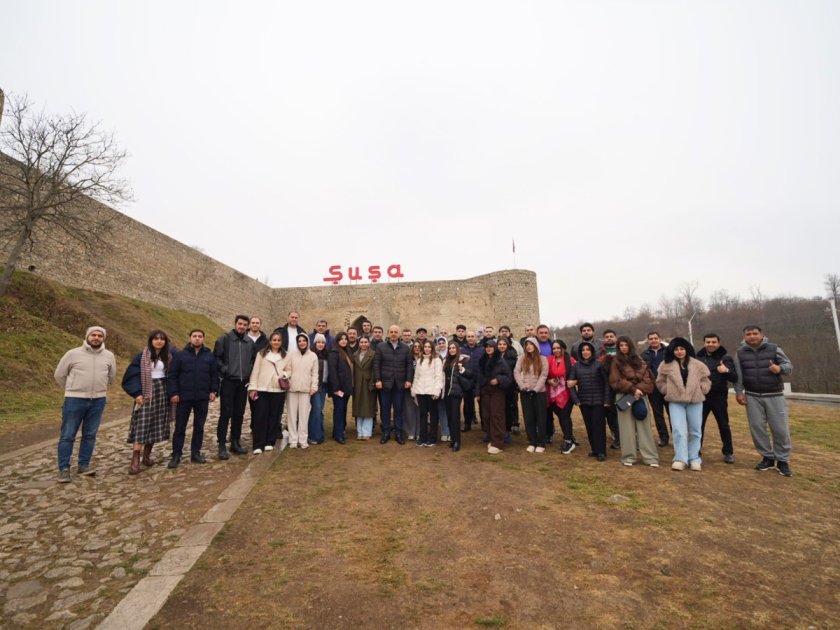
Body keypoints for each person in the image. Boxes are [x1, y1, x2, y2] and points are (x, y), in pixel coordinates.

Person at [54, 326, 117, 482]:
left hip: (98, 401)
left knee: (90, 435)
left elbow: (111, 376)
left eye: (100, 335)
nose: (96, 338)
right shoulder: (72, 354)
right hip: (74, 400)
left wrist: (99, 389)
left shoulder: (109, 356)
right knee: (68, 435)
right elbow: (59, 375)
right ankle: (64, 469)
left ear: (103, 338)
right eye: (93, 335)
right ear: (87, 336)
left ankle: (84, 465)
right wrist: (73, 389)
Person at [734, 325, 794, 477]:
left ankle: (782, 460)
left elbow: (789, 366)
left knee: (780, 429)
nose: (752, 336)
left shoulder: (774, 349)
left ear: (762, 335)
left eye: (755, 333)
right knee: (757, 429)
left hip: (774, 395)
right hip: (752, 396)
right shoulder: (740, 353)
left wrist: (779, 368)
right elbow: (739, 375)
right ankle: (767, 457)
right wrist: (739, 392)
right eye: (748, 334)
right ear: (744, 337)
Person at [121, 330, 175, 474]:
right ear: (151, 340)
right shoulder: (142, 356)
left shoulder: (168, 356)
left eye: (162, 339)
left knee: (155, 423)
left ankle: (147, 455)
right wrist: (137, 393)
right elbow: (131, 375)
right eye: (156, 338)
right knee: (142, 424)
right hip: (146, 392)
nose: (159, 341)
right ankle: (135, 459)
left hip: (162, 391)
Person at [655, 337, 711, 471]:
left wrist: (702, 389)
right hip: (675, 401)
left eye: (682, 349)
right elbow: (660, 381)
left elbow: (706, 381)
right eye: (676, 349)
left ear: (687, 349)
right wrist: (668, 390)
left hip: (695, 400)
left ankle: (694, 458)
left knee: (695, 430)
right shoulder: (665, 365)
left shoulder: (698, 364)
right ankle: (680, 458)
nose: (679, 352)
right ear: (672, 351)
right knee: (679, 430)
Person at [167, 329, 219, 469]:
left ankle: (195, 453)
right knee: (180, 427)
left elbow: (214, 374)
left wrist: (213, 390)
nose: (197, 338)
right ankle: (176, 454)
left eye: (200, 336)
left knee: (199, 426)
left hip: (202, 397)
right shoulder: (180, 355)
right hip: (184, 397)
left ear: (203, 339)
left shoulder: (209, 356)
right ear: (189, 338)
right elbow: (172, 375)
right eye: (194, 336)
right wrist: (173, 393)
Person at [608, 336, 659, 468]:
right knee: (626, 428)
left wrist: (638, 390)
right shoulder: (616, 361)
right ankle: (629, 456)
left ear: (630, 346)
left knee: (644, 427)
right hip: (624, 396)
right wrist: (632, 389)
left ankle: (650, 457)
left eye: (626, 345)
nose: (624, 347)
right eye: (621, 345)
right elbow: (615, 381)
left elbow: (648, 380)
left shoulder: (639, 359)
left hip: (640, 396)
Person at [214, 315, 254, 458]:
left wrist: (249, 371)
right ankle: (221, 444)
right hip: (229, 381)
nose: (242, 327)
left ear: (247, 326)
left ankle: (235, 442)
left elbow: (252, 360)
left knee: (239, 413)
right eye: (240, 324)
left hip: (243, 383)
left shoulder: (249, 342)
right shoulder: (224, 339)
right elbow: (217, 358)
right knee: (226, 413)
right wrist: (225, 370)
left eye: (245, 325)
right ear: (235, 324)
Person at [696, 333, 738, 463]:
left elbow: (734, 377)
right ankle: (696, 450)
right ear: (704, 343)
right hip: (701, 397)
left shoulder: (725, 358)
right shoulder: (698, 358)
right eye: (708, 342)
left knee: (723, 425)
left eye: (713, 342)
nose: (711, 344)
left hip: (718, 397)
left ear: (718, 343)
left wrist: (726, 371)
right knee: (698, 426)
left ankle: (728, 452)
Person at [248, 332, 291, 454]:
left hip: (277, 389)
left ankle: (269, 442)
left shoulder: (286, 355)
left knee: (274, 416)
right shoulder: (261, 354)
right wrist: (253, 387)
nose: (276, 342)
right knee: (260, 416)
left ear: (281, 342)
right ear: (270, 341)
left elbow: (289, 370)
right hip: (262, 388)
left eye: (278, 340)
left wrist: (284, 375)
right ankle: (258, 443)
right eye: (274, 340)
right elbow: (255, 371)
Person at [569, 342, 612, 461]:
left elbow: (606, 383)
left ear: (592, 351)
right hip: (584, 401)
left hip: (599, 401)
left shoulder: (599, 364)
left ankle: (601, 451)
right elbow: (570, 383)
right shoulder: (576, 366)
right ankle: (594, 449)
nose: (585, 352)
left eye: (588, 350)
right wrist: (576, 399)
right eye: (583, 350)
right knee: (589, 426)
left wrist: (607, 399)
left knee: (599, 426)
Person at [374, 325, 415, 444]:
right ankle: (386, 432)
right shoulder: (381, 347)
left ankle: (398, 433)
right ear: (388, 333)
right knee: (385, 409)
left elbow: (409, 365)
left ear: (399, 334)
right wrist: (378, 380)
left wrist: (408, 380)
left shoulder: (405, 348)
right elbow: (376, 364)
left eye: (395, 332)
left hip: (399, 384)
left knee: (398, 409)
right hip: (385, 383)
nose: (393, 334)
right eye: (391, 332)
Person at [478, 340, 513, 455]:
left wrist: (498, 379)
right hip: (485, 391)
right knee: (486, 416)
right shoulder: (483, 360)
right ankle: (493, 439)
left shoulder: (500, 360)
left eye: (491, 346)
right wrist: (477, 392)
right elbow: (479, 377)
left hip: (497, 391)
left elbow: (509, 376)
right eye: (487, 346)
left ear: (494, 348)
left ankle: (498, 444)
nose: (488, 348)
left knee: (496, 415)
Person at [514, 337, 549, 453]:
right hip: (525, 392)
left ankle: (541, 442)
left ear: (535, 345)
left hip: (539, 392)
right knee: (529, 417)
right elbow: (516, 372)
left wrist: (536, 389)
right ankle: (532, 442)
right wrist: (522, 386)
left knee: (541, 418)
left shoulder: (543, 359)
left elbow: (544, 375)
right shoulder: (522, 358)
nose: (528, 346)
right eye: (526, 344)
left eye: (531, 344)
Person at [287, 334, 319, 448]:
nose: (302, 343)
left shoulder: (313, 356)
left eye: (304, 340)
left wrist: (313, 387)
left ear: (307, 342)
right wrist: (286, 377)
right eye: (299, 341)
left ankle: (303, 439)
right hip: (292, 389)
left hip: (305, 389)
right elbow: (288, 369)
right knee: (292, 415)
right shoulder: (291, 354)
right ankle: (293, 439)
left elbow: (315, 373)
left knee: (304, 415)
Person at [546, 339, 577, 453]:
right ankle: (569, 435)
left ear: (563, 348)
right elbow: (544, 374)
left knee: (565, 416)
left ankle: (568, 441)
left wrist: (575, 382)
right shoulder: (549, 360)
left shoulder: (570, 360)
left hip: (567, 393)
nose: (556, 350)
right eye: (554, 348)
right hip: (552, 393)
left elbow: (578, 374)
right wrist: (548, 381)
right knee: (560, 416)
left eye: (558, 348)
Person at [411, 340, 444, 447]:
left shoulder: (437, 360)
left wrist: (437, 391)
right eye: (425, 347)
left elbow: (439, 377)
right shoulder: (420, 360)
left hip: (432, 392)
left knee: (433, 415)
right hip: (420, 391)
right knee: (423, 415)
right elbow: (416, 377)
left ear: (432, 348)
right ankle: (422, 438)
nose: (427, 349)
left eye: (429, 347)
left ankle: (432, 438)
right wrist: (414, 390)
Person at [641, 332, 671, 447]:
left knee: (672, 414)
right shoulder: (644, 354)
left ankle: (677, 436)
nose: (653, 340)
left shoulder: (669, 352)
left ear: (660, 339)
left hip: (668, 387)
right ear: (648, 340)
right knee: (658, 414)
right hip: (653, 388)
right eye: (651, 339)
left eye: (655, 338)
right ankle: (663, 437)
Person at [442, 341, 472, 452]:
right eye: (450, 348)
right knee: (449, 416)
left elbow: (470, 374)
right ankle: (453, 438)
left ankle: (457, 441)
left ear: (457, 349)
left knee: (455, 416)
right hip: (446, 391)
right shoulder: (446, 360)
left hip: (456, 391)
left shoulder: (463, 360)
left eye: (453, 348)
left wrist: (462, 369)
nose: (451, 350)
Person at [328, 331, 354, 444]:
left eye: (345, 339)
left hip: (346, 387)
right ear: (337, 341)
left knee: (343, 409)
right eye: (341, 339)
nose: (344, 341)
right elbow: (332, 372)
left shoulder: (347, 352)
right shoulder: (334, 353)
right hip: (339, 388)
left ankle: (339, 431)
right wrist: (336, 388)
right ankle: (338, 434)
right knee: (339, 409)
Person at [599, 329, 621, 449]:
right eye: (606, 336)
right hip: (605, 386)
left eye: (611, 336)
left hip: (621, 386)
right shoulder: (599, 352)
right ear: (604, 339)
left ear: (615, 338)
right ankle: (617, 436)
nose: (609, 338)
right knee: (610, 413)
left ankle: (629, 436)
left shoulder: (622, 349)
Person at [307, 333, 329, 445]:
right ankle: (314, 436)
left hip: (323, 386)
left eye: (323, 342)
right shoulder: (310, 355)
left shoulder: (327, 355)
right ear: (315, 343)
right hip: (315, 386)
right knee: (316, 409)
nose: (320, 344)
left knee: (319, 410)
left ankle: (319, 434)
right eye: (318, 342)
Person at [496, 336, 518, 444]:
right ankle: (498, 431)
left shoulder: (513, 358)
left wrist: (515, 387)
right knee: (497, 411)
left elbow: (515, 373)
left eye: (504, 344)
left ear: (507, 345)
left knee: (508, 410)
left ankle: (507, 430)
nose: (502, 346)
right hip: (497, 387)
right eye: (500, 344)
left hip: (509, 387)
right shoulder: (493, 357)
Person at [353, 336, 376, 439]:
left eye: (365, 342)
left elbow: (375, 370)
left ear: (369, 343)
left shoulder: (373, 354)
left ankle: (367, 432)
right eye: (361, 342)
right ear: (359, 343)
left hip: (368, 383)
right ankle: (360, 432)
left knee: (367, 407)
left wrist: (372, 383)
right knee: (358, 407)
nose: (363, 344)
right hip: (357, 383)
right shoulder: (355, 354)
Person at [461, 331, 483, 431]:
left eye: (472, 336)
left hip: (479, 380)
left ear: (476, 338)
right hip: (467, 380)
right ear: (466, 338)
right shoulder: (462, 350)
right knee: (467, 404)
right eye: (468, 336)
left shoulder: (481, 349)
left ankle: (484, 424)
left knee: (482, 403)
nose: (470, 338)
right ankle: (467, 424)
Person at [403, 340, 423, 440]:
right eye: (415, 346)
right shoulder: (408, 358)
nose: (417, 348)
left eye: (419, 346)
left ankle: (419, 431)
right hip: (409, 386)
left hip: (421, 387)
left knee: (420, 409)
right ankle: (410, 431)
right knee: (409, 409)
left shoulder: (425, 359)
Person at [435, 336, 451, 441]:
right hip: (439, 385)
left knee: (451, 410)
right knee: (441, 409)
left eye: (443, 343)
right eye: (439, 343)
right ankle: (445, 431)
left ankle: (451, 431)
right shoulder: (435, 356)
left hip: (449, 385)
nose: (441, 345)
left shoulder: (451, 354)